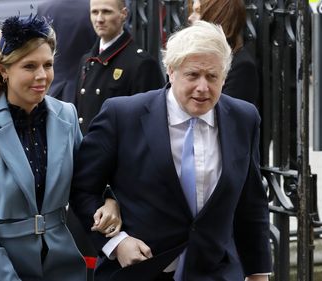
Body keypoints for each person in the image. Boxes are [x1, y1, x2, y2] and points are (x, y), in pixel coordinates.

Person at [71, 21, 271, 281]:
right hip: (140, 271)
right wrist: (116, 244)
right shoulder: (123, 116)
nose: (203, 87)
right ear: (171, 71)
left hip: (215, 272)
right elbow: (82, 189)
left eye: (212, 76)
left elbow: (251, 204)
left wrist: (258, 274)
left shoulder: (243, 119)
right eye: (192, 75)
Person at [0, 15, 121, 280]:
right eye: (29, 66)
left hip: (57, 265)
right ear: (4, 70)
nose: (42, 76)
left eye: (47, 65)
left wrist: (110, 200)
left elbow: (86, 183)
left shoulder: (67, 115)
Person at [75, 0, 165, 134]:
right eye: (94, 12)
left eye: (106, 12)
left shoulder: (141, 63)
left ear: (124, 14)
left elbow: (148, 123)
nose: (99, 19)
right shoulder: (87, 60)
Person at [188, 0, 259, 106]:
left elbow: (230, 114)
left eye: (197, 11)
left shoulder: (241, 65)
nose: (190, 18)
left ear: (216, 15)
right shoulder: (192, 53)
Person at [37, 0, 97, 102]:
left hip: (52, 86)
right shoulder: (93, 7)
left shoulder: (44, 7)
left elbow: (39, 45)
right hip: (85, 85)